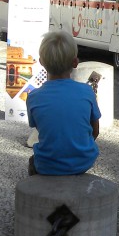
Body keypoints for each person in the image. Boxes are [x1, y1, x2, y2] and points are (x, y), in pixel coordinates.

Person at [26, 31, 101, 176]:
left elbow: (43, 129)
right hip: (83, 161)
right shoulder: (87, 92)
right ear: (75, 62)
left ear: (41, 62)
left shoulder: (33, 97)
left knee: (32, 162)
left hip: (47, 164)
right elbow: (95, 131)